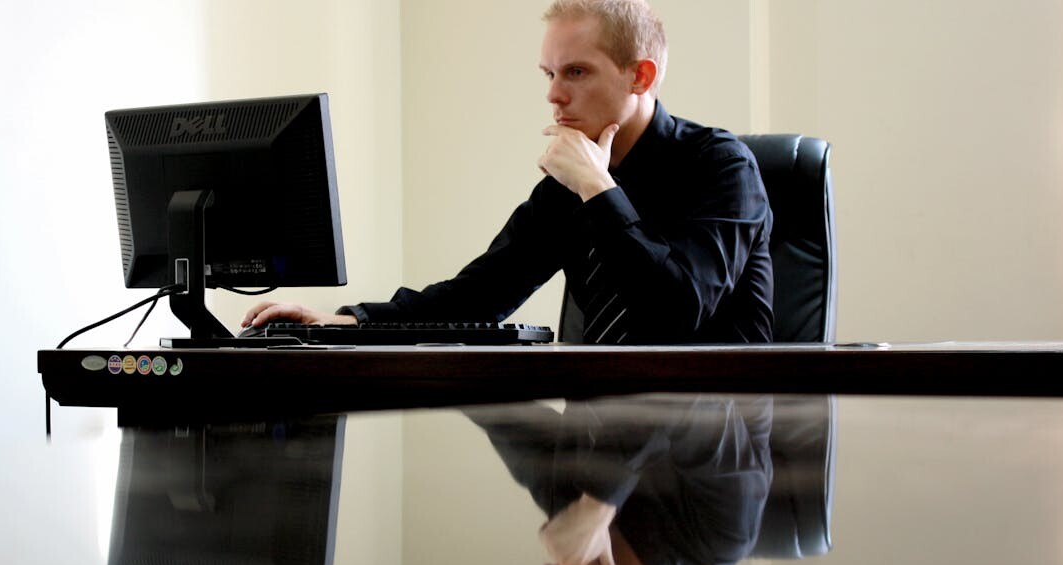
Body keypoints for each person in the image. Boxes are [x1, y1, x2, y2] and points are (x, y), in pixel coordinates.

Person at [244, 0, 774, 345]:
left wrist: (597, 188)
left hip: (713, 453)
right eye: (549, 74)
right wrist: (345, 322)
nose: (553, 94)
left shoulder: (722, 167)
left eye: (576, 72)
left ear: (640, 75)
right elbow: (476, 298)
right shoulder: (566, 188)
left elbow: (678, 312)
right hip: (601, 439)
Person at [465, 393, 773, 565]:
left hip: (603, 339)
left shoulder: (567, 507)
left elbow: (495, 405)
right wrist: (598, 505)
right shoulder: (722, 535)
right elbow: (678, 391)